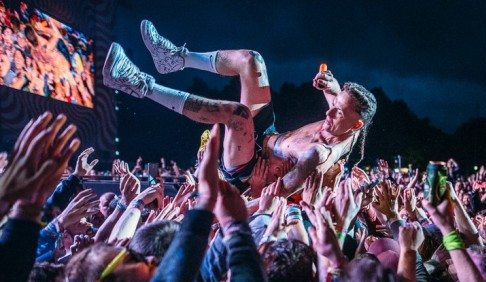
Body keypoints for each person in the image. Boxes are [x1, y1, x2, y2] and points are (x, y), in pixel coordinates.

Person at [103, 20, 377, 205]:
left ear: (356, 126)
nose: (329, 113)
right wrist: (331, 85)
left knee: (238, 115)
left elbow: (274, 198)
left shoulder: (316, 156)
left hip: (248, 167)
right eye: (333, 106)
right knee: (251, 60)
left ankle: (139, 84)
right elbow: (339, 100)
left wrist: (254, 191)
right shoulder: (347, 124)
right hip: (267, 133)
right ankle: (175, 58)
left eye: (338, 112)